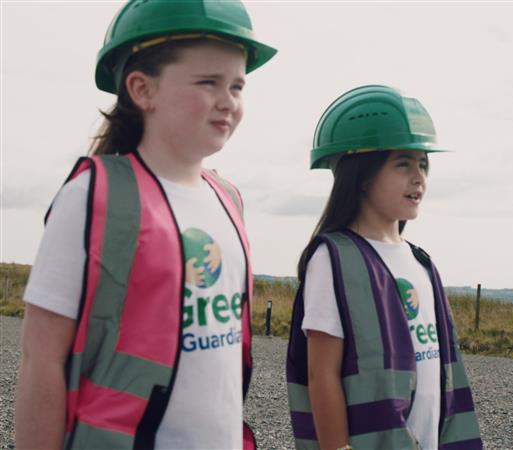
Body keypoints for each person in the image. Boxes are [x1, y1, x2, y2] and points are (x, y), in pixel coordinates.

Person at [14, 1, 276, 449]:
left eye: (237, 85)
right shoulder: (92, 197)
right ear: (142, 89)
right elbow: (40, 360)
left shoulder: (228, 199)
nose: (228, 101)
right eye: (208, 82)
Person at [286, 85, 483, 450]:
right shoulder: (334, 259)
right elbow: (321, 373)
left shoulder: (420, 262)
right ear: (361, 175)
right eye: (403, 164)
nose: (419, 177)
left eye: (423, 164)